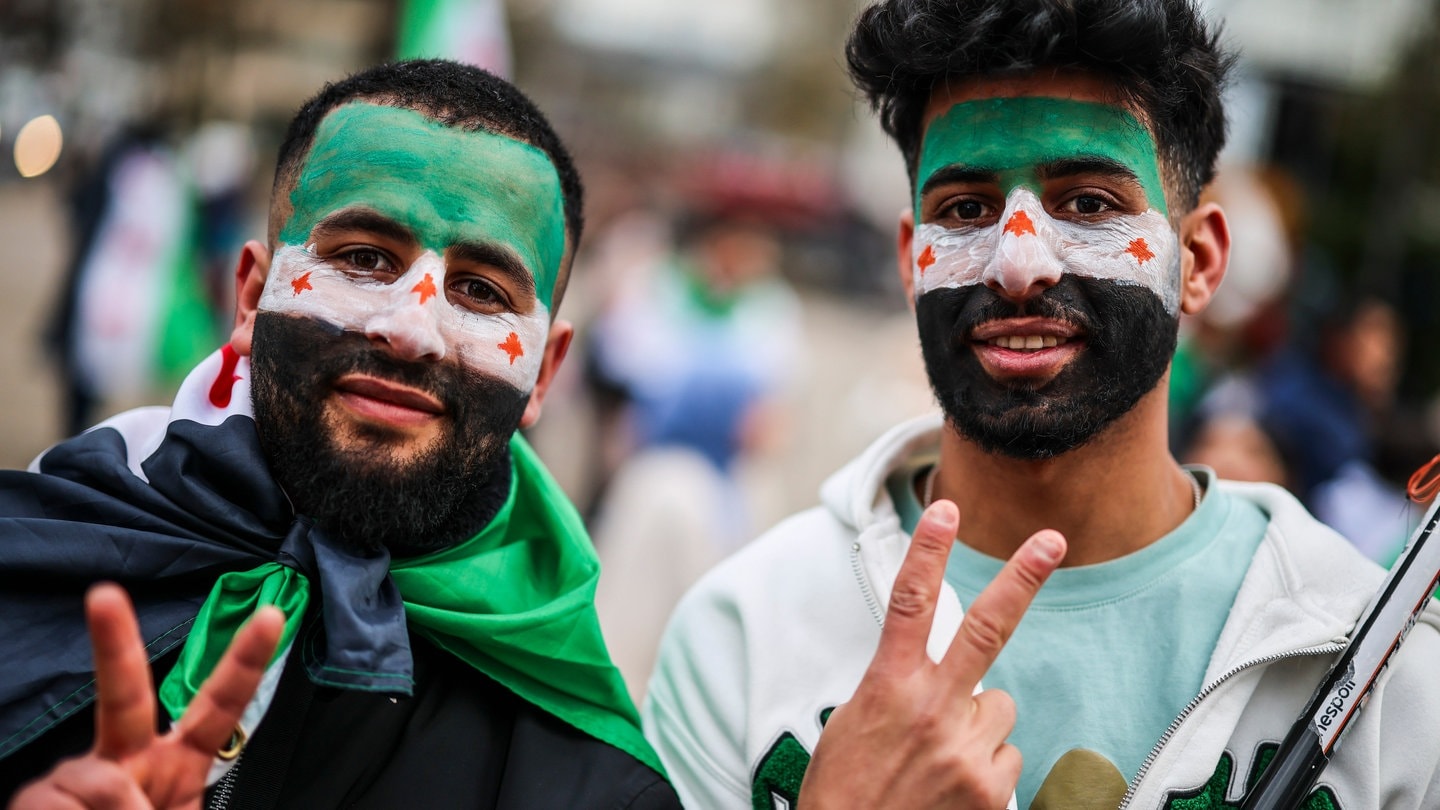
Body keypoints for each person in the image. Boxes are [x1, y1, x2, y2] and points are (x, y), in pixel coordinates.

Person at [642, 2, 1440, 809]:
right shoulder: (742, 634)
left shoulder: (1385, 671)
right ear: (910, 261)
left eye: (1089, 203)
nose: (1018, 265)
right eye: (963, 211)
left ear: (1198, 260)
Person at [0, 60, 678, 809]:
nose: (410, 329)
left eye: (481, 291)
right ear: (253, 297)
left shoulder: (598, 787)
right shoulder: (36, 554)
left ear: (544, 374)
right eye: (362, 258)